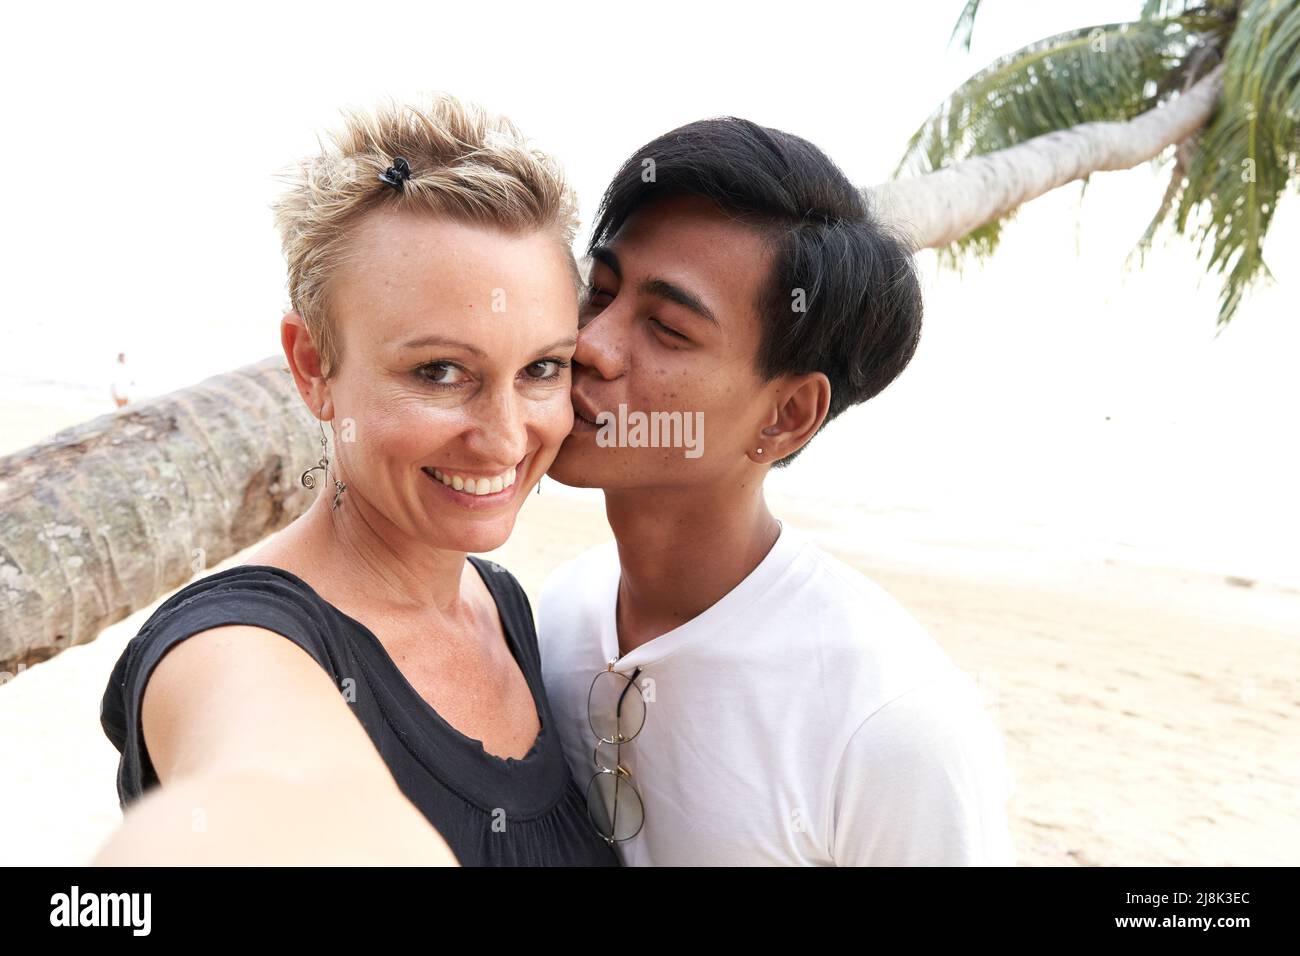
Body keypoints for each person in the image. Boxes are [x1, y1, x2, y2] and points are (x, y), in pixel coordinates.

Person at [95, 94, 618, 866]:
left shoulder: (505, 607)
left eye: (541, 367)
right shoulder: (230, 646)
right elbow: (268, 789)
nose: (506, 437)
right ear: (313, 365)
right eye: (441, 372)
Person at [537, 117, 1017, 865]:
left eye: (666, 328)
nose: (591, 345)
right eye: (599, 292)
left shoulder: (888, 722)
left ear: (787, 416)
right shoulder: (557, 617)